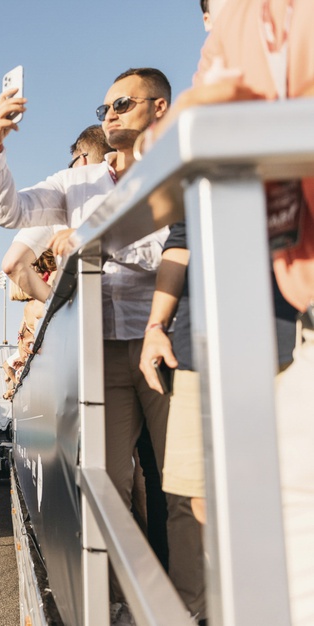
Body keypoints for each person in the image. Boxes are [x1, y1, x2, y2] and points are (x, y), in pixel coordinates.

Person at [0, 67, 203, 617]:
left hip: (168, 344)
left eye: (122, 103)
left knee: (185, 491)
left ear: (158, 107)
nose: (108, 113)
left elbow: (177, 249)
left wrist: (93, 240)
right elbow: (9, 213)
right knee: (106, 488)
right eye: (104, 106)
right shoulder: (74, 183)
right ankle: (119, 605)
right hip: (101, 350)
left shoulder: (179, 168)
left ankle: (194, 608)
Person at [140, 2, 314, 619]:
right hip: (260, 323)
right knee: (212, 503)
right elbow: (166, 187)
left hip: (269, 320)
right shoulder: (244, 24)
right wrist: (157, 325)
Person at [2, 125, 113, 303]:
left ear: (82, 159)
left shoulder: (64, 196)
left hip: (87, 316)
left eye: (72, 164)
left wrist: (58, 305)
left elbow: (13, 263)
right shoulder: (136, 183)